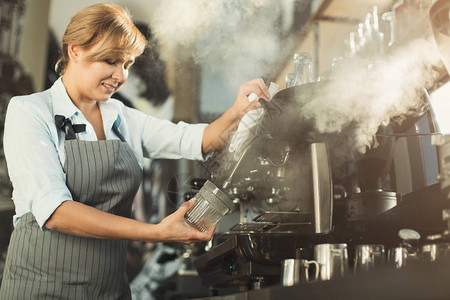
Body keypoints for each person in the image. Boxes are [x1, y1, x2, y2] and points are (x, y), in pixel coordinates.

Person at [0, 3, 269, 299]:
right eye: (111, 61)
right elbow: (55, 211)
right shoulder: (30, 111)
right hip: (41, 289)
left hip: (108, 289)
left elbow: (197, 140)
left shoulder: (121, 116)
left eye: (127, 64)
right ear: (75, 50)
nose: (120, 76)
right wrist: (158, 231)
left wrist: (238, 109)